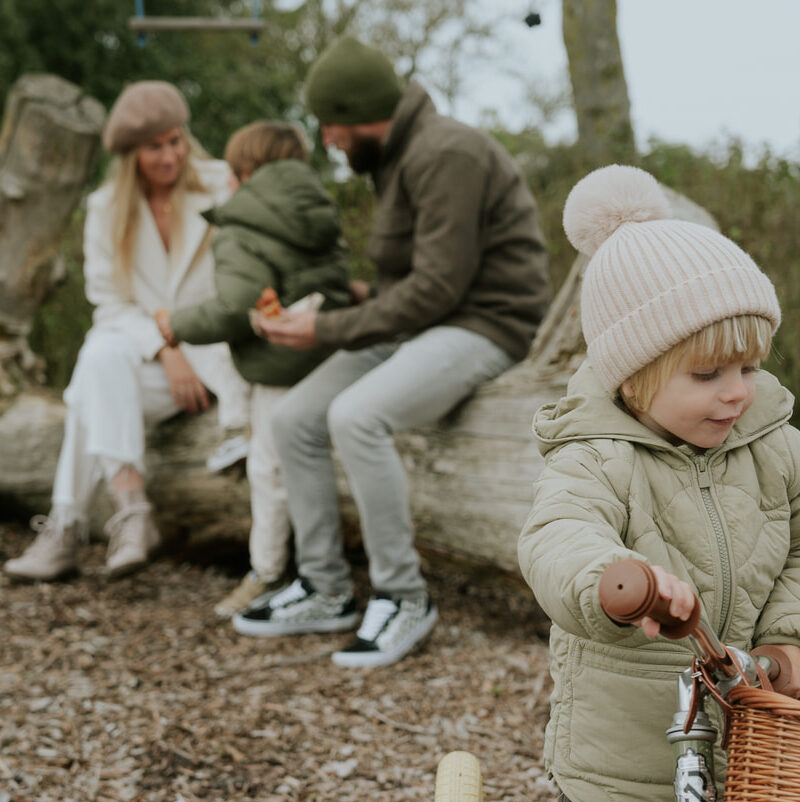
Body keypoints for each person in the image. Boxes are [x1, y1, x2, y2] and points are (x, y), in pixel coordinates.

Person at [516, 164, 800, 802]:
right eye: (708, 374)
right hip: (617, 730)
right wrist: (615, 583)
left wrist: (787, 640)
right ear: (634, 376)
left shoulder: (775, 445)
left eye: (748, 365)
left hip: (744, 724)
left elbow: (799, 548)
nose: (737, 390)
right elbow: (558, 533)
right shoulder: (596, 456)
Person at [233, 35, 552, 668]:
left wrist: (325, 332)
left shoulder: (447, 153)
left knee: (357, 416)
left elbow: (437, 289)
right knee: (294, 419)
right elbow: (412, 281)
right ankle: (325, 588)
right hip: (426, 322)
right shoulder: (397, 155)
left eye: (331, 125)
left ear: (361, 115)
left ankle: (404, 597)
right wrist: (330, 303)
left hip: (486, 324)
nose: (326, 139)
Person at [4, 80, 250, 582]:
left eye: (176, 140)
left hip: (216, 359)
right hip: (152, 370)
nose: (169, 156)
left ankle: (65, 530)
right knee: (100, 359)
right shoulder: (105, 208)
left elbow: (239, 279)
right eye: (154, 146)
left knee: (86, 390)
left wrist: (181, 341)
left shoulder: (219, 183)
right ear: (131, 153)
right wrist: (165, 348)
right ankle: (131, 510)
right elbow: (109, 302)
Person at [154, 120, 352, 617]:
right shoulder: (318, 209)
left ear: (243, 172)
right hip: (326, 352)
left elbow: (236, 305)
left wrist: (176, 324)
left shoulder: (242, 223)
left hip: (279, 363)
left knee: (270, 471)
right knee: (297, 462)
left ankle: (269, 572)